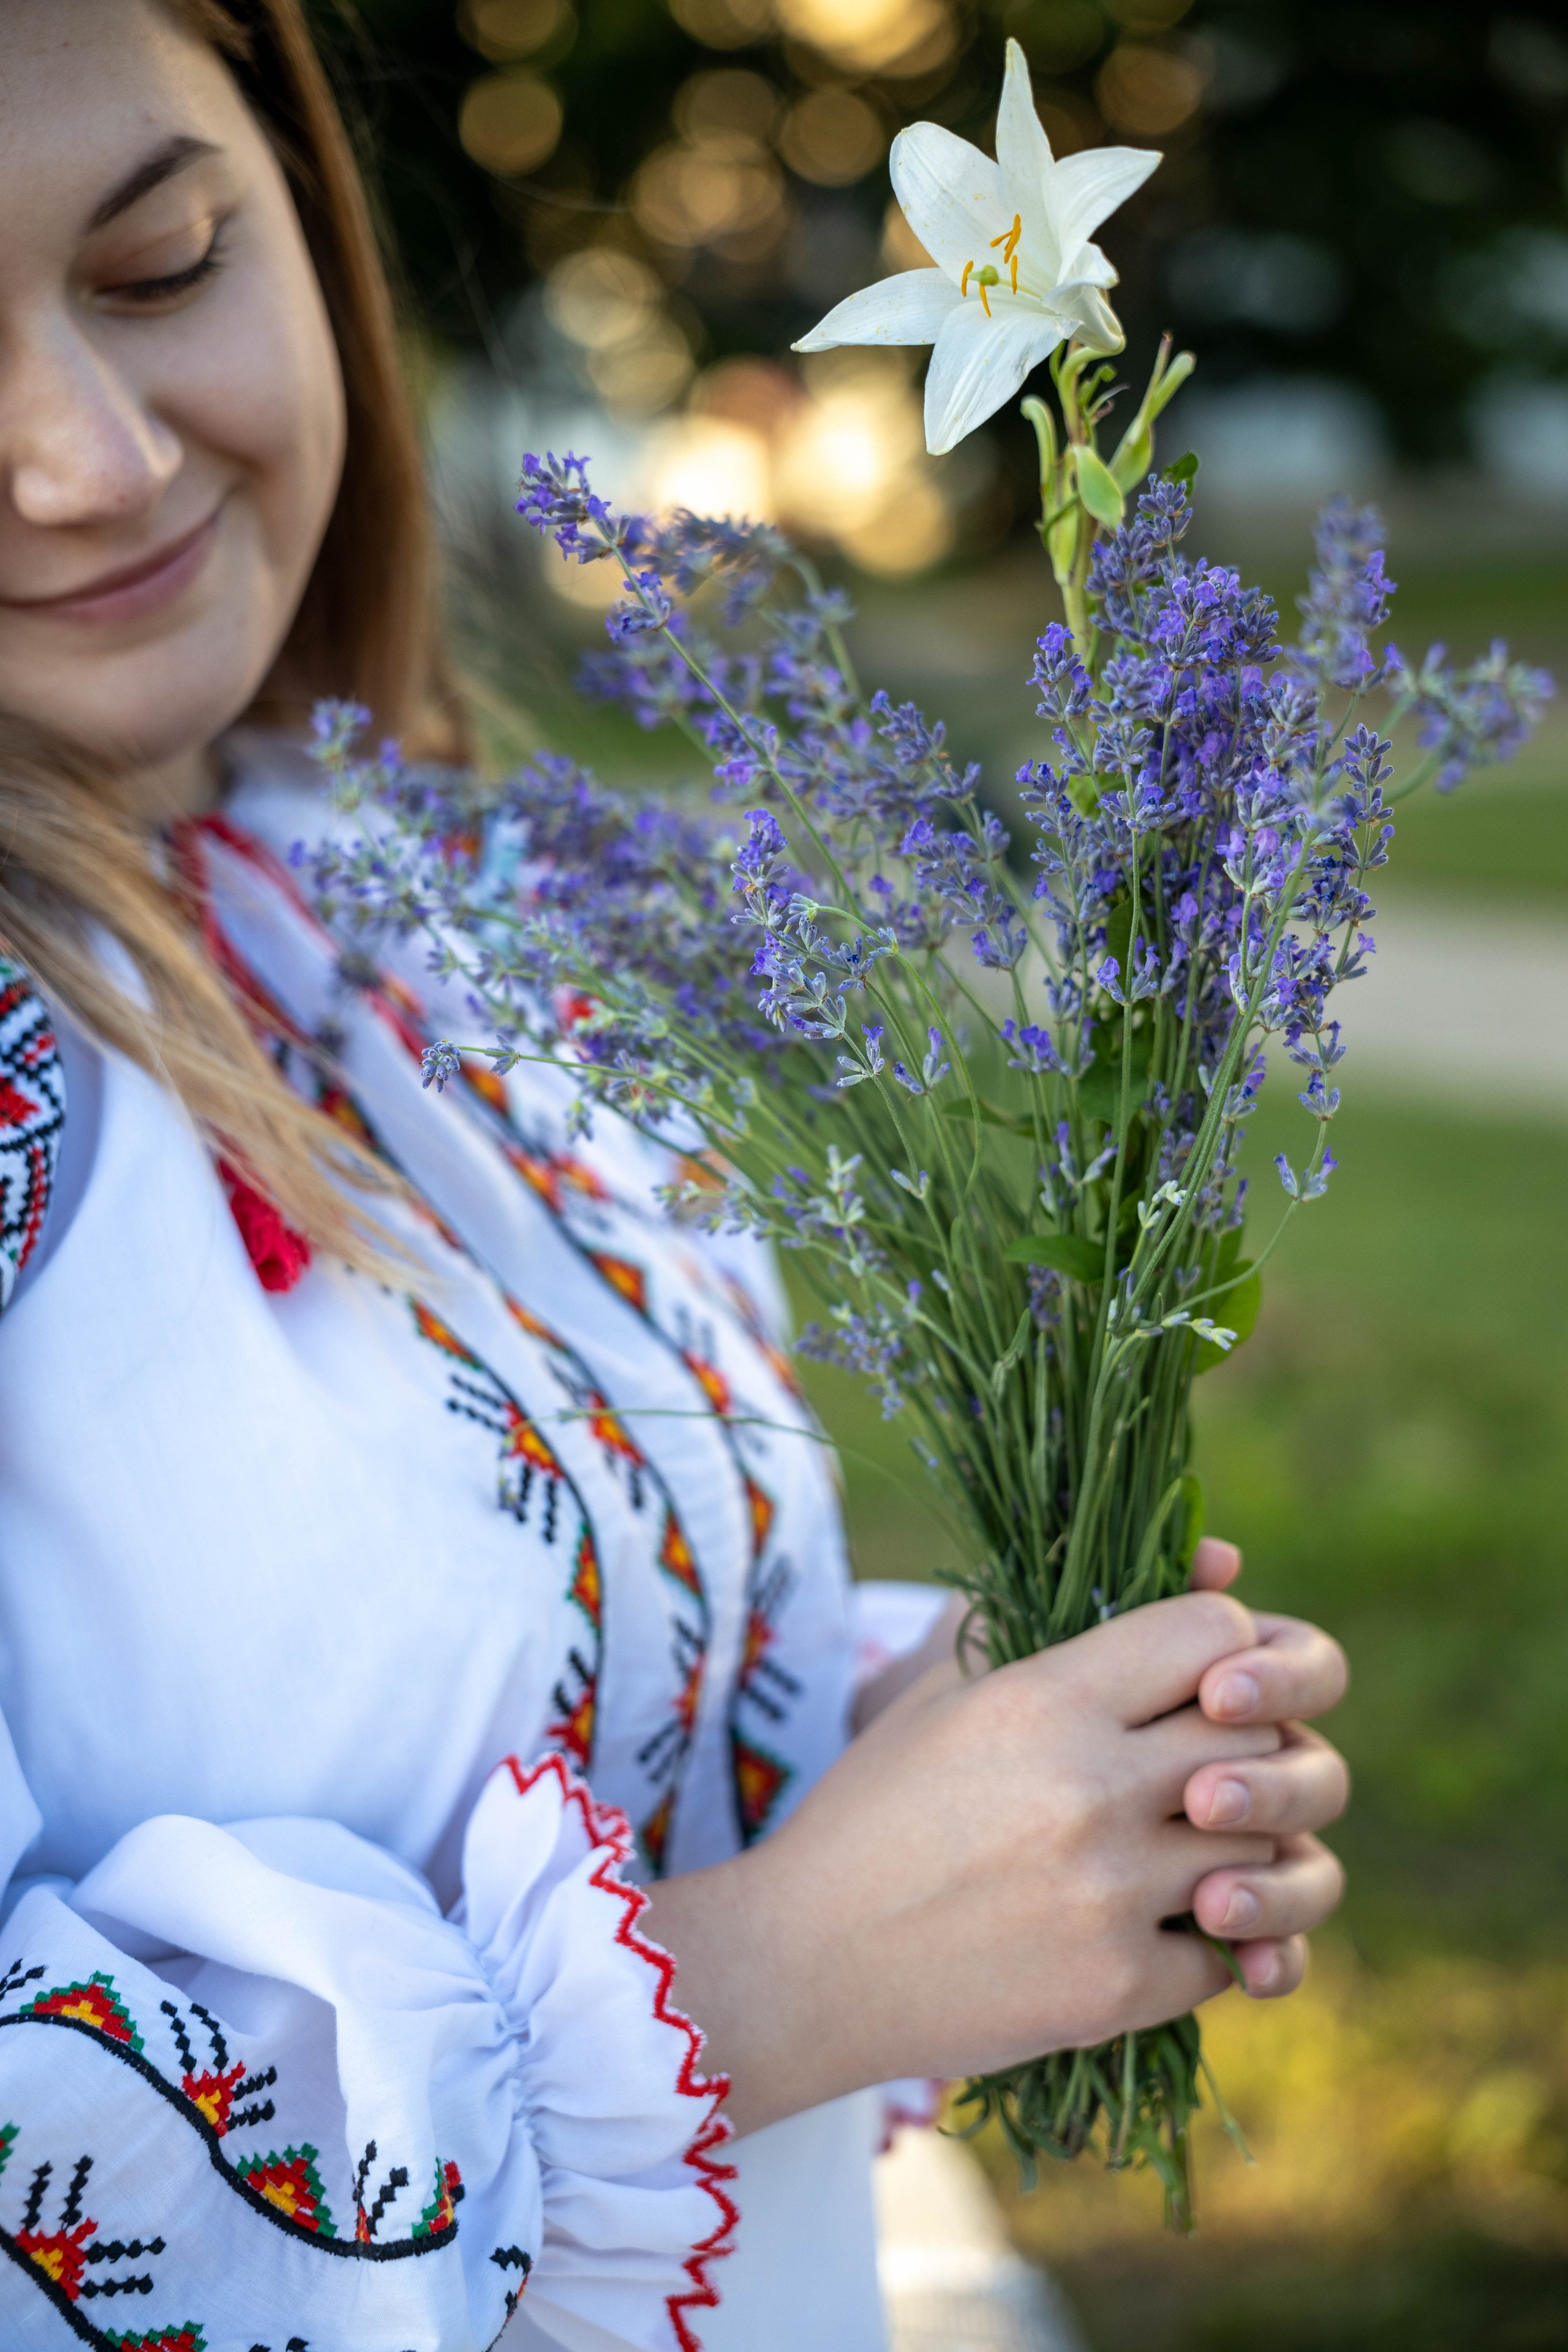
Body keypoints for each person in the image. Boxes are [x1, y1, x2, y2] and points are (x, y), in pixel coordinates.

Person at [0, 4, 1351, 2348]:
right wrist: (775, 1981)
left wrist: (957, 1739)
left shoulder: (393, 887)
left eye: (162, 265)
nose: (90, 460)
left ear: (306, 220)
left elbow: (476, 1648)